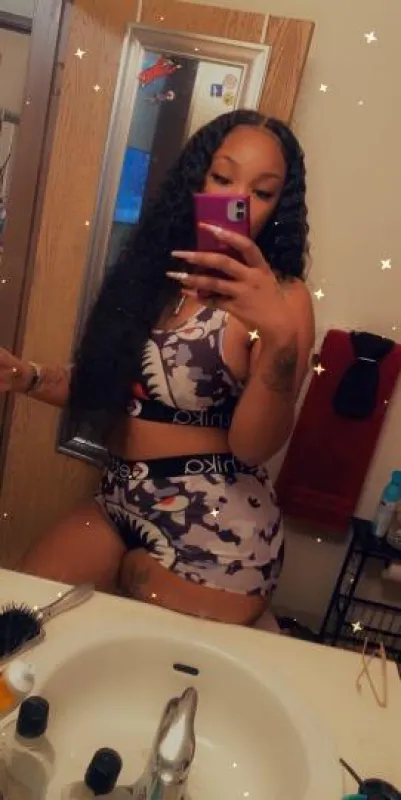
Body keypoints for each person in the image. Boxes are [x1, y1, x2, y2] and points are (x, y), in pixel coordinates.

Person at [0, 110, 314, 627]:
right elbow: (106, 386)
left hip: (216, 530)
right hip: (119, 499)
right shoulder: (154, 276)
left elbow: (254, 447)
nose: (237, 201)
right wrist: (25, 377)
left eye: (261, 192)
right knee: (20, 620)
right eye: (222, 178)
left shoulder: (283, 298)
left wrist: (280, 338)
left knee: (148, 657)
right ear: (196, 181)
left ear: (279, 206)